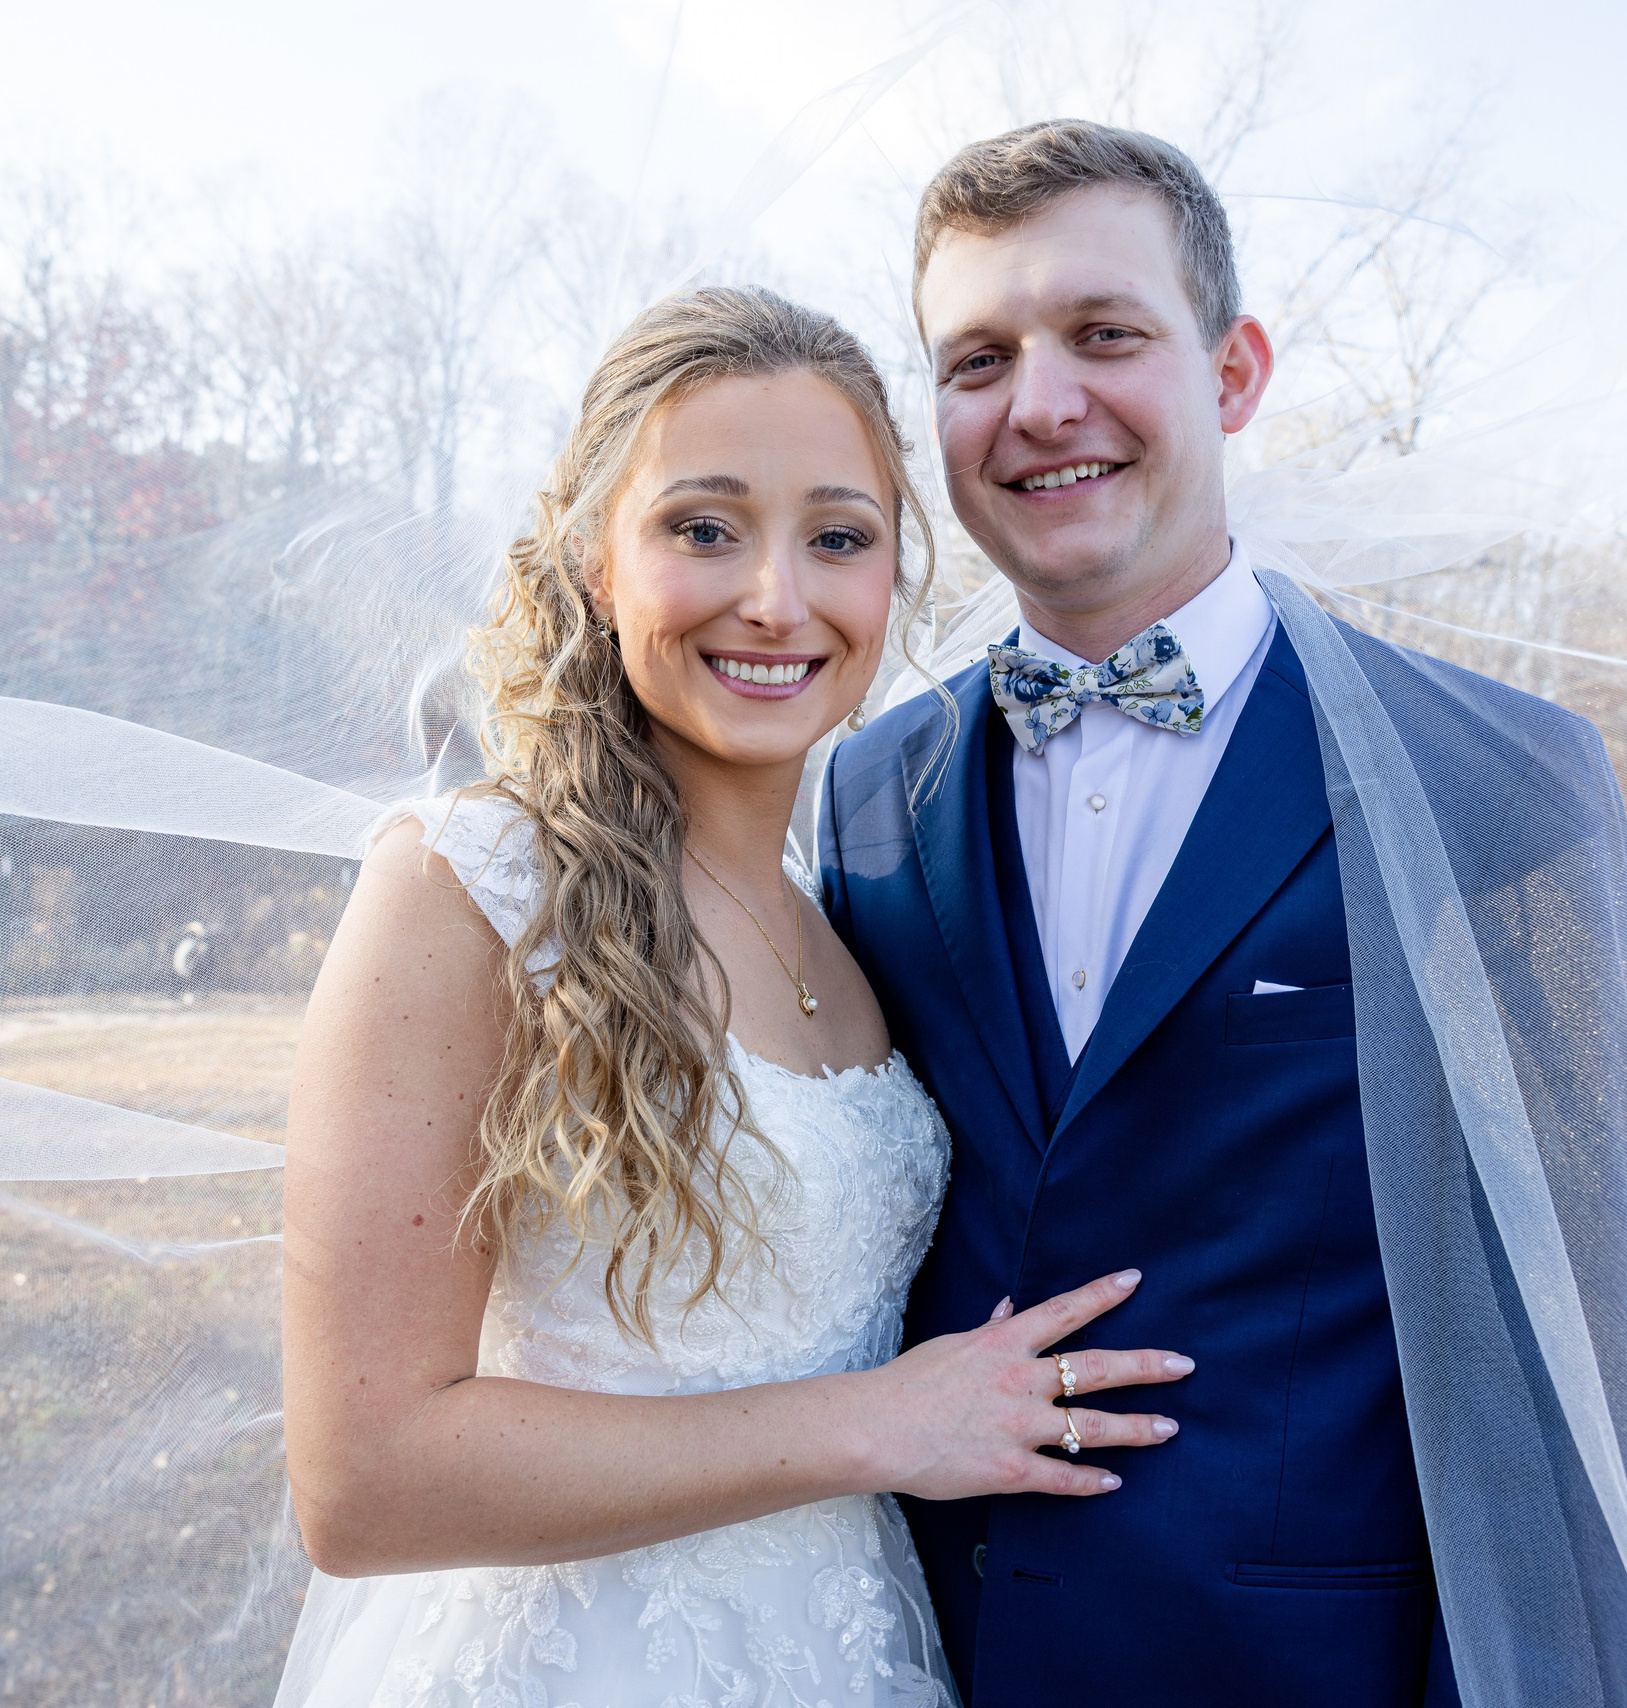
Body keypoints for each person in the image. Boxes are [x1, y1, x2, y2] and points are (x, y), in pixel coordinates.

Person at [820, 123, 1627, 1704]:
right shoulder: (862, 789)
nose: (1040, 404)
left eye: (1105, 333)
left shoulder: (1500, 788)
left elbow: (1552, 1376)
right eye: (978, 359)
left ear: (1235, 372)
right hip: (917, 1652)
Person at [275, 286, 1192, 1708]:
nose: (777, 597)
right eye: (704, 529)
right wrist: (874, 1426)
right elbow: (364, 1479)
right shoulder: (471, 886)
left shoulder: (842, 922)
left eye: (839, 537)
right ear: (595, 559)